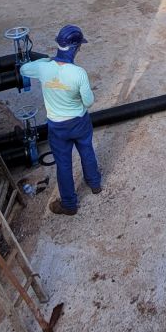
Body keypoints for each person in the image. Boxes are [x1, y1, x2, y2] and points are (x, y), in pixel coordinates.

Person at [20, 24, 102, 215]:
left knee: (63, 164)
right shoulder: (78, 73)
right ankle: (95, 183)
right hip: (79, 122)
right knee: (87, 151)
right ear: (74, 48)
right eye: (79, 46)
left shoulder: (43, 68)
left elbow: (24, 69)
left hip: (57, 126)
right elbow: (88, 102)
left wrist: (45, 62)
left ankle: (69, 204)